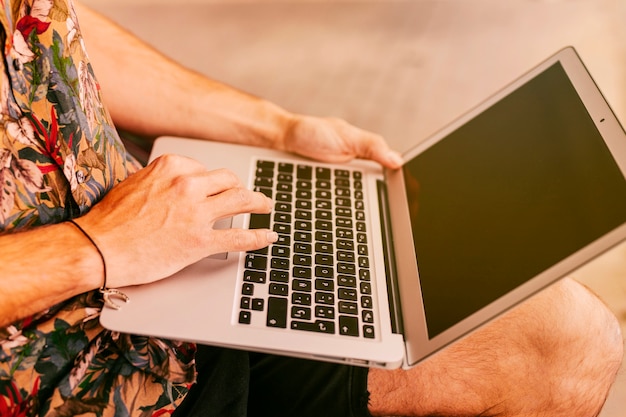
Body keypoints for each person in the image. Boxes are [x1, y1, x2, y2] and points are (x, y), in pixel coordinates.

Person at [0, 1, 622, 416]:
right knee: (561, 346)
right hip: (92, 365)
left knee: (565, 330)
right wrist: (95, 245)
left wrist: (279, 129)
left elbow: (46, 25)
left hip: (151, 231)